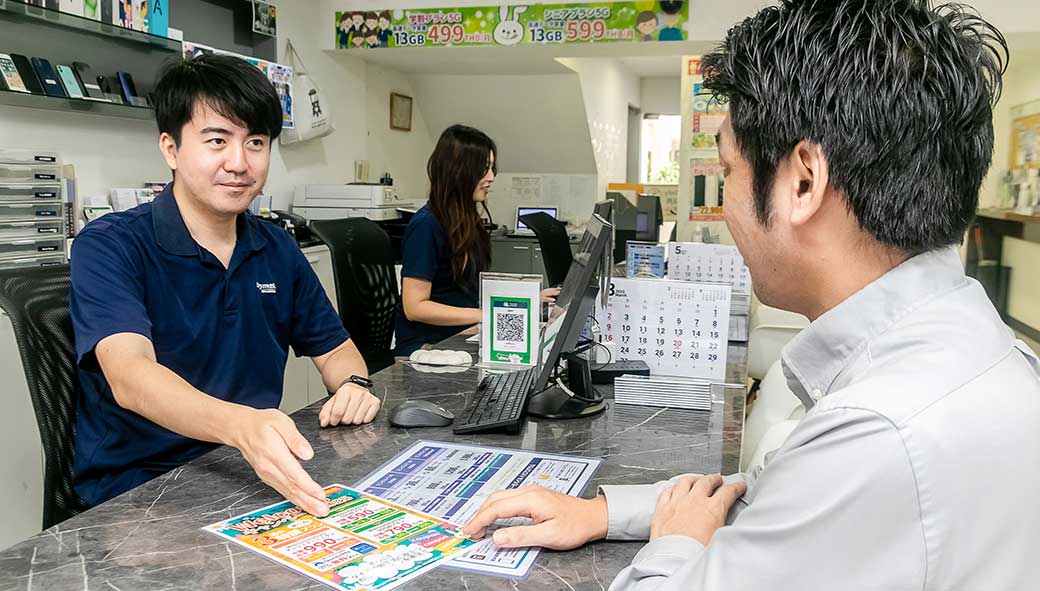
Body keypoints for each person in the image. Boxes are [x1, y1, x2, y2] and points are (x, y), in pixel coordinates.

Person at [464, 1, 1040, 589]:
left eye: (727, 171)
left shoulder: (875, 435)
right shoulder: (959, 344)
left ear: (803, 183)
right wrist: (602, 513)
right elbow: (771, 500)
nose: (726, 202)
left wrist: (676, 543)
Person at [70, 54, 380, 519]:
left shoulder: (277, 248)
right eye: (217, 140)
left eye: (255, 142)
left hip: (248, 471)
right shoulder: (110, 244)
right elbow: (131, 377)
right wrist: (240, 426)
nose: (238, 163)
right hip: (138, 491)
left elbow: (336, 350)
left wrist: (354, 385)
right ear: (171, 149)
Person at [394, 125, 497, 356]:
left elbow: (466, 291)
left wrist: (525, 300)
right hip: (427, 346)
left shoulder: (465, 222)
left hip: (460, 334)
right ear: (458, 171)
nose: (491, 177)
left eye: (492, 168)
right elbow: (414, 307)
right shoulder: (426, 225)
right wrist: (486, 315)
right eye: (484, 169)